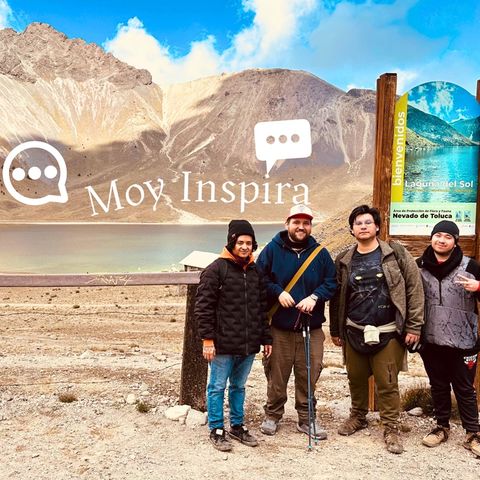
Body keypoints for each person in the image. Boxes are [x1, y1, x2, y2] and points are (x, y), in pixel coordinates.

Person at [329, 205, 424, 454]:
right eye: (358, 223)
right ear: (351, 229)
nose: (363, 226)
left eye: (368, 222)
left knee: (387, 381)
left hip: (389, 330)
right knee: (356, 378)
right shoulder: (344, 260)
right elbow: (337, 297)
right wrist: (336, 330)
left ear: (377, 226)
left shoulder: (396, 254)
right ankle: (358, 416)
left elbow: (414, 289)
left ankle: (391, 426)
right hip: (354, 330)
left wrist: (414, 325)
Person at [256, 204, 336, 439]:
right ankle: (272, 414)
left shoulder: (320, 254)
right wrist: (278, 292)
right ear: (287, 224)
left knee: (309, 375)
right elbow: (259, 280)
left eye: (306, 223)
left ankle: (306, 419)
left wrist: (315, 296)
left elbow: (331, 282)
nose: (301, 227)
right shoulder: (271, 250)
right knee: (276, 375)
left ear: (310, 226)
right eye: (296, 222)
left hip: (311, 328)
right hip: (279, 328)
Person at [195, 220, 272, 452]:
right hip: (222, 344)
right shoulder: (216, 269)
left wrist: (266, 338)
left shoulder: (255, 271)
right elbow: (203, 308)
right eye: (240, 242)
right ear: (231, 242)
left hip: (248, 344)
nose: (245, 247)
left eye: (249, 243)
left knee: (239, 386)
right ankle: (217, 429)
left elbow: (261, 309)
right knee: (217, 387)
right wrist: (207, 339)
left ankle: (237, 426)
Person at [416, 220, 480, 457]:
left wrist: (479, 287)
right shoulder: (419, 266)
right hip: (431, 340)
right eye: (438, 235)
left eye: (448, 236)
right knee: (438, 385)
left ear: (455, 242)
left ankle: (473, 433)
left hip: (464, 341)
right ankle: (441, 426)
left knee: (465, 388)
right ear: (431, 238)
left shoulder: (471, 266)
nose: (441, 240)